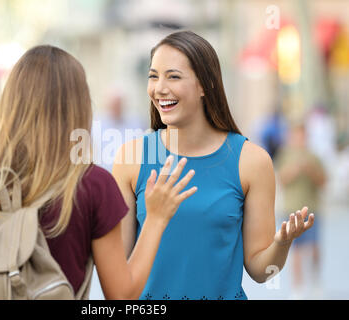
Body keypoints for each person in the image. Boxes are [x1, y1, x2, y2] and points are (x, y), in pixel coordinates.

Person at [0, 45, 198, 299]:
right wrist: (155, 218)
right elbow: (121, 295)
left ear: (10, 103)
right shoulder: (92, 185)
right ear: (78, 105)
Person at [112, 31, 315, 300]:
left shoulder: (251, 161)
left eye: (173, 76)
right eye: (153, 76)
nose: (159, 87)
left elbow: (261, 271)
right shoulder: (131, 158)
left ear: (205, 84)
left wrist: (282, 243)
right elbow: (117, 280)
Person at [276, 122, 326, 299]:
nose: (299, 139)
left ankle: (316, 282)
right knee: (294, 250)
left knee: (314, 248)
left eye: (302, 136)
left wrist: (310, 170)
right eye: (296, 136)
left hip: (312, 208)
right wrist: (295, 169)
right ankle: (297, 287)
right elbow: (281, 180)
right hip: (291, 209)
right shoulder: (285, 155)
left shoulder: (314, 157)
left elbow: (323, 183)